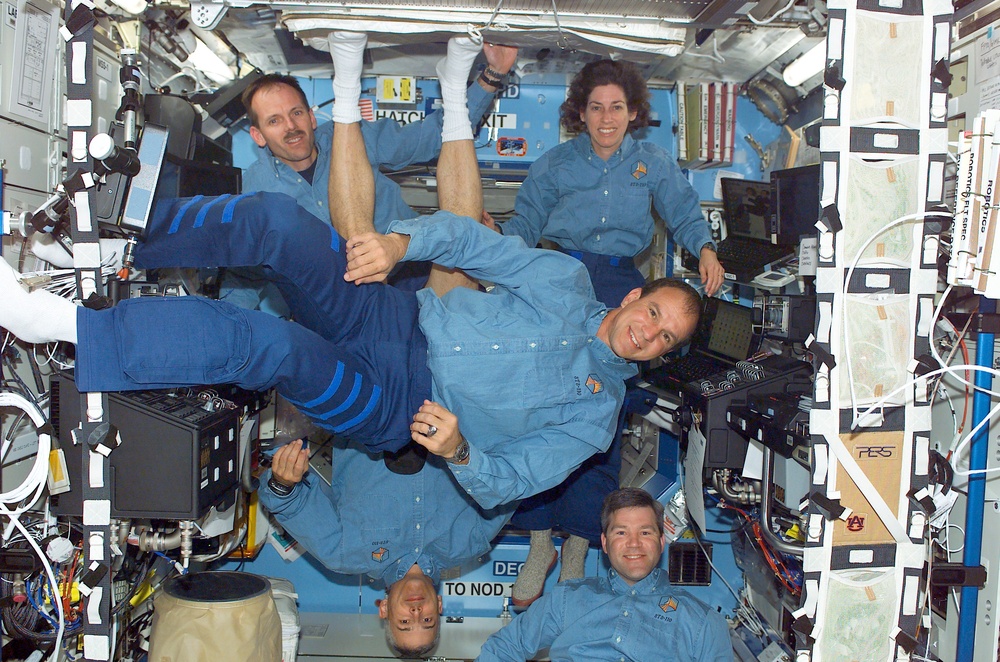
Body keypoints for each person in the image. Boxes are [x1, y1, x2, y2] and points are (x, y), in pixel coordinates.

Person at [2, 35, 701, 512]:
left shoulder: (595, 419)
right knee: (279, 222)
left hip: (396, 405)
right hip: (394, 312)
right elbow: (473, 244)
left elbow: (511, 482)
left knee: (273, 346)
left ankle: (62, 326)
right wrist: (402, 243)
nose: (649, 334)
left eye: (664, 339)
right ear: (636, 295)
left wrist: (461, 452)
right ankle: (118, 244)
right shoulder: (566, 283)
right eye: (655, 314)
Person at [498, 58, 725, 607]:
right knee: (544, 410)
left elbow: (683, 210)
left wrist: (705, 248)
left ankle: (578, 541)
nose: (606, 118)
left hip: (624, 289)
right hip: (562, 281)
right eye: (596, 107)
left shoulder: (652, 162)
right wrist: (495, 257)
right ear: (580, 112)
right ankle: (539, 543)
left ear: (633, 113)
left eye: (617, 107)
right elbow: (524, 224)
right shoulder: (555, 164)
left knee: (602, 419)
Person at [222, 38, 517, 308]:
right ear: (258, 135)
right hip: (343, 297)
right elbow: (245, 273)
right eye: (274, 121)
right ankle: (347, 87)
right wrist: (229, 324)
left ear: (311, 117)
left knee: (461, 260)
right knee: (360, 263)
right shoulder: (253, 192)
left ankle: (354, 92)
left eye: (296, 113)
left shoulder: (354, 137)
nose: (291, 127)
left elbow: (429, 138)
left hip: (414, 266)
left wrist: (493, 74)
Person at [258, 437, 515, 657]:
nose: (416, 612)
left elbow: (288, 505)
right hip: (448, 403)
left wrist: (282, 482)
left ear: (384, 608)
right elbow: (511, 480)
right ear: (439, 606)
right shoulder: (470, 541)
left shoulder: (343, 554)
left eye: (405, 621)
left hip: (366, 407)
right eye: (427, 620)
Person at [475, 488, 733, 661]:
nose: (634, 543)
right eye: (621, 533)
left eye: (645, 532)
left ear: (661, 542)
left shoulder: (701, 622)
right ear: (605, 544)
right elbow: (503, 648)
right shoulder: (566, 600)